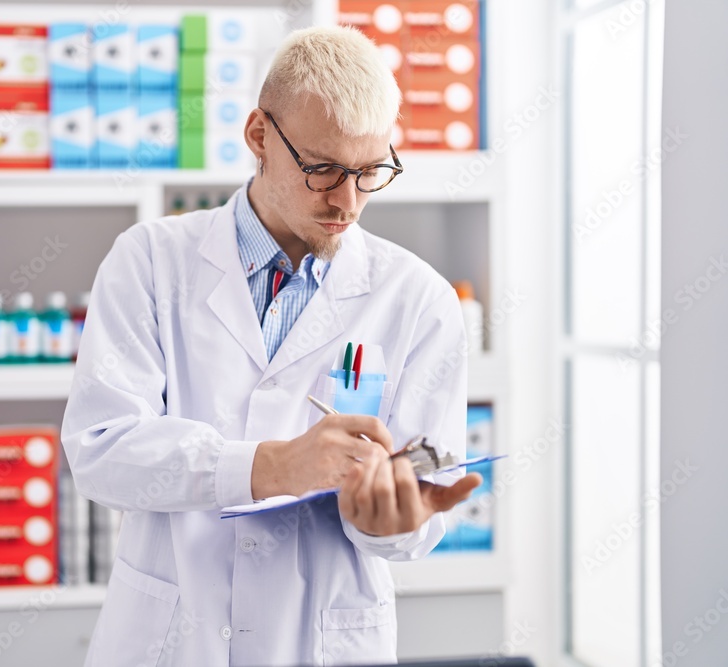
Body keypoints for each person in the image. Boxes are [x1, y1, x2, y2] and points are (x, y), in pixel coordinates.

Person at [61, 25, 482, 666]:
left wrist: (394, 523)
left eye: (370, 172)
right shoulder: (149, 262)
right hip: (175, 639)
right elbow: (101, 451)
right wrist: (273, 467)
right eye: (323, 170)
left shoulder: (419, 301)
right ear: (260, 135)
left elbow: (414, 512)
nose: (347, 202)